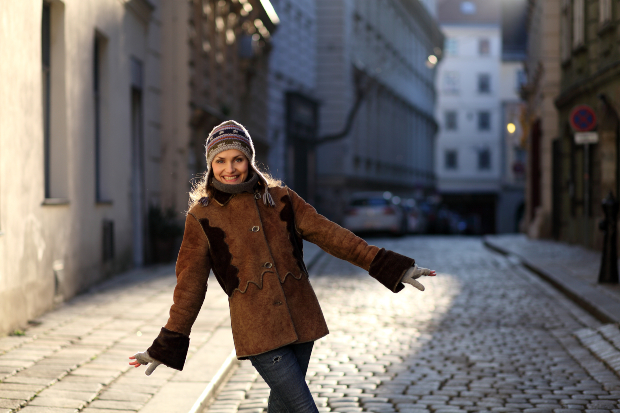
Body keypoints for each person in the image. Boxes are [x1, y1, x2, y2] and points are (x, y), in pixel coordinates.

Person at [129, 120, 436, 412]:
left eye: (237, 159)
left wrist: (395, 267)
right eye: (220, 160)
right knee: (303, 408)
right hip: (257, 327)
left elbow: (334, 237)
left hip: (301, 317)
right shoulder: (202, 217)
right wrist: (168, 341)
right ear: (210, 164)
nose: (229, 168)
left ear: (249, 160)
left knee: (284, 408)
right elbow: (189, 285)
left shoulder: (282, 200)